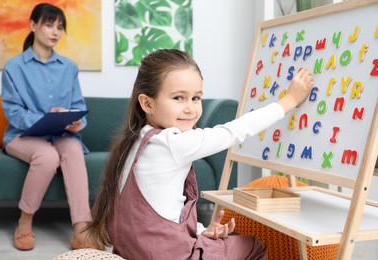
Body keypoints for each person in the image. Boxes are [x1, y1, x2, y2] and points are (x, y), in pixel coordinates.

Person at [86, 49, 314, 259]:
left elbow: (160, 212)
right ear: (147, 103)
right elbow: (232, 132)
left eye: (196, 98)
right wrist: (289, 100)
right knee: (253, 246)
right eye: (178, 98)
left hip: (139, 252)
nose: (190, 108)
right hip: (169, 256)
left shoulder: (137, 140)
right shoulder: (171, 143)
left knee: (224, 243)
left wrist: (201, 231)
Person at [1, 3, 95, 251]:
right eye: (49, 24)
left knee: (73, 150)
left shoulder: (69, 67)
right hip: (23, 136)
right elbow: (13, 112)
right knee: (46, 155)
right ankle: (25, 220)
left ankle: (82, 228)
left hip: (61, 134)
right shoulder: (14, 67)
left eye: (60, 27)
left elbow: (77, 105)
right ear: (33, 26)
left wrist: (76, 123)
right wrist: (44, 118)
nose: (55, 31)